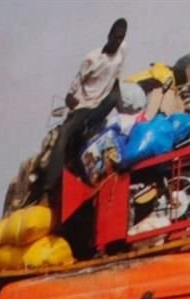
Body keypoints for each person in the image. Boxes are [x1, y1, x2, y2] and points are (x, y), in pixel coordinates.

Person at [42, 18, 128, 204]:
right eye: (115, 37)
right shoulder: (92, 59)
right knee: (65, 135)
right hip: (84, 106)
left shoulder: (122, 51)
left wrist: (124, 112)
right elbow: (77, 82)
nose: (118, 42)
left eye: (121, 38)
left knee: (113, 102)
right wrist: (70, 97)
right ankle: (51, 185)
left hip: (100, 105)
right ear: (109, 36)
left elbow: (116, 82)